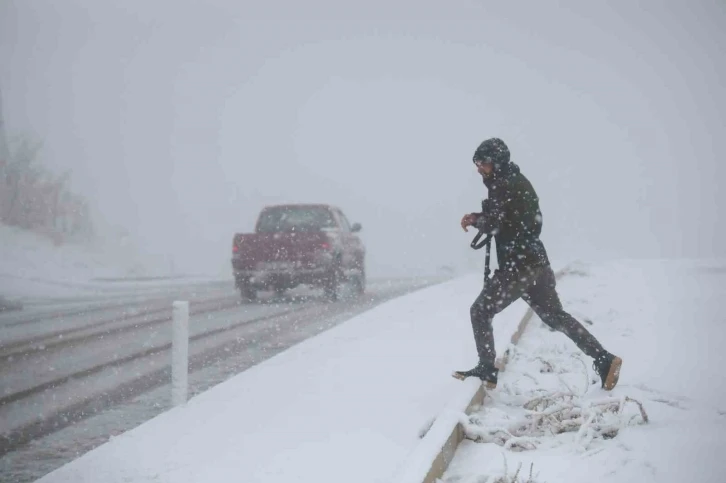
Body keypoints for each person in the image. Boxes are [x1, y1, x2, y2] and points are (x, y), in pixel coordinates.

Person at [455, 138, 622, 390]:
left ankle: (487, 369)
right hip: (536, 264)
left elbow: (496, 223)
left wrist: (476, 219)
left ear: (496, 162)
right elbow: (514, 220)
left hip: (517, 267)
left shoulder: (504, 185)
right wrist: (485, 218)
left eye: (483, 163)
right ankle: (604, 358)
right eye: (477, 163)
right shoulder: (517, 183)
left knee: (480, 311)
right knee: (555, 316)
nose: (479, 168)